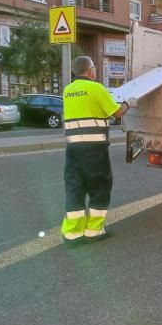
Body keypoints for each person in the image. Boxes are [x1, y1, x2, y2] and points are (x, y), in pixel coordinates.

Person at [61, 56, 135, 245]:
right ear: (88, 70)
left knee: (75, 187)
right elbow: (116, 113)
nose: (95, 70)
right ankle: (94, 231)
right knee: (100, 186)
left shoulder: (68, 91)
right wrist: (128, 103)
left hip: (73, 149)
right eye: (93, 67)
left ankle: (72, 234)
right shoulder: (97, 88)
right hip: (94, 149)